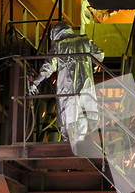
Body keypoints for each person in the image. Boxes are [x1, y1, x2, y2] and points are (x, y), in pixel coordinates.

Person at [29, 21, 104, 153]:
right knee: (82, 117)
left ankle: (68, 148)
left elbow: (48, 68)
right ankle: (78, 148)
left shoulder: (58, 46)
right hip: (85, 89)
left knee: (66, 119)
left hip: (67, 91)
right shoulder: (85, 41)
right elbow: (100, 54)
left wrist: (35, 83)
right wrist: (93, 66)